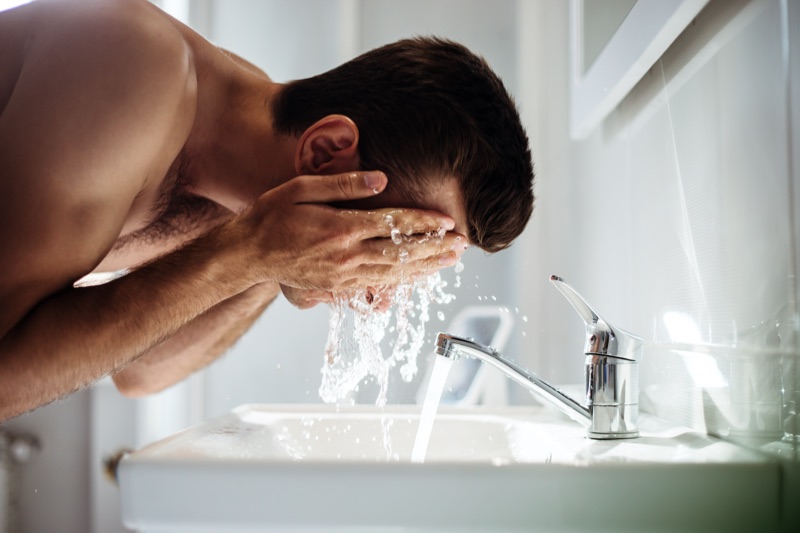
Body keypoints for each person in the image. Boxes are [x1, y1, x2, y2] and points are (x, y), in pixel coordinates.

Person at [0, 0, 534, 421]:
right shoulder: (129, 68)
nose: (377, 289)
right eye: (385, 239)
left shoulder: (254, 191)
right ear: (325, 152)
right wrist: (250, 253)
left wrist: (270, 261)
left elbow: (138, 371)